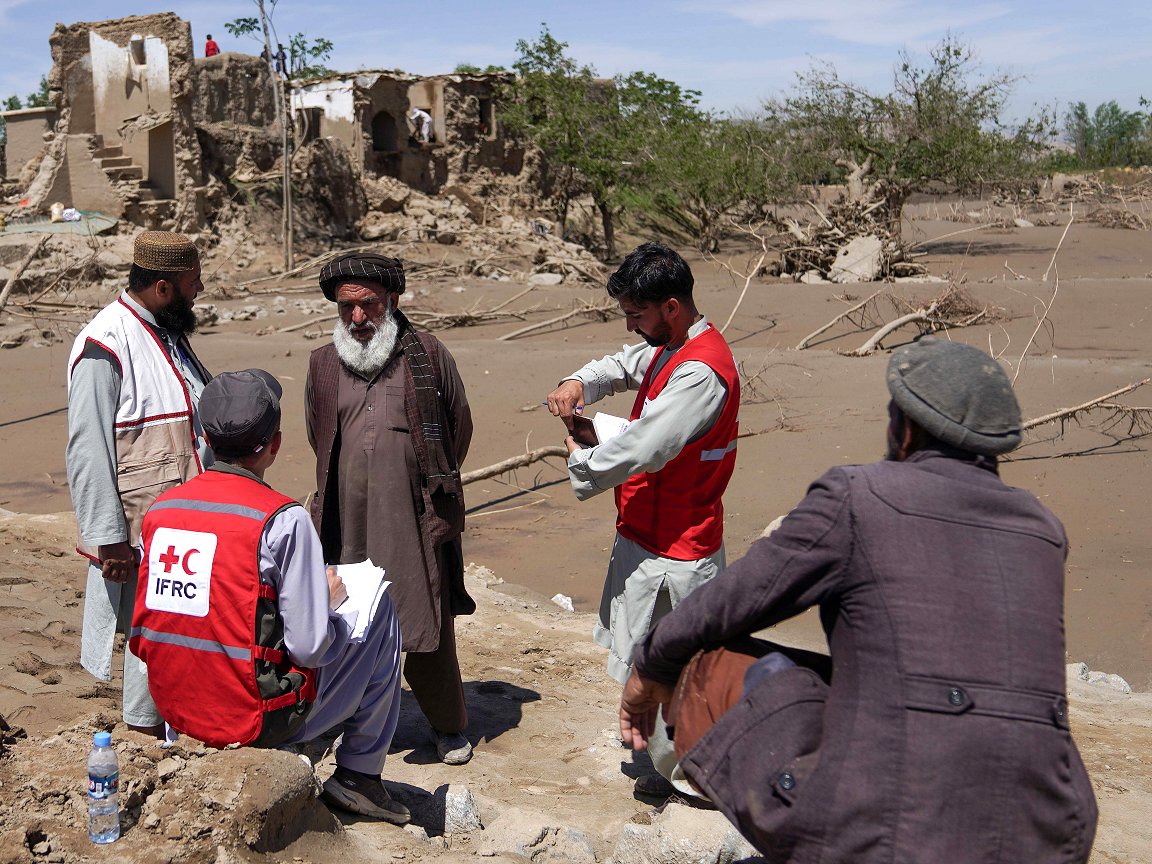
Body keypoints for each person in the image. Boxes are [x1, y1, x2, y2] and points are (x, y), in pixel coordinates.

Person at [620, 337, 1099, 862]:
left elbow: (730, 603)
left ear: (906, 427)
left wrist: (649, 667)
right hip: (1055, 825)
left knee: (708, 661)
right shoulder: (1043, 529)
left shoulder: (859, 497)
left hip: (896, 824)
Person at [129, 370, 410, 824]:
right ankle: (359, 775)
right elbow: (310, 647)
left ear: (203, 437)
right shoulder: (284, 520)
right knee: (378, 612)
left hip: (177, 710)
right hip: (249, 718)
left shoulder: (162, 512)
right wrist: (331, 604)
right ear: (274, 446)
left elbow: (150, 631)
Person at [545, 241, 739, 799]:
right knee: (644, 658)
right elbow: (622, 366)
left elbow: (645, 447)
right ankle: (657, 757)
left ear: (671, 306)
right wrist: (579, 382)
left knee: (677, 670)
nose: (631, 326)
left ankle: (691, 784)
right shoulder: (669, 346)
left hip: (680, 553)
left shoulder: (702, 373)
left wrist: (583, 456)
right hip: (646, 536)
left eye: (637, 314)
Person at [305, 253, 475, 765]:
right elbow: (319, 434)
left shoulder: (428, 353)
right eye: (347, 307)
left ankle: (448, 726)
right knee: (344, 619)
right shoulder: (322, 362)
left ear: (393, 302)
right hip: (344, 518)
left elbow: (457, 426)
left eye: (369, 305)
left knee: (425, 620)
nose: (357, 318)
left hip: (413, 517)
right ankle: (338, 716)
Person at [66, 231, 212, 739]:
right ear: (164, 288)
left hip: (179, 528)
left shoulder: (165, 331)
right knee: (148, 640)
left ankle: (172, 729)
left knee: (175, 636)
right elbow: (87, 450)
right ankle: (143, 740)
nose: (201, 290)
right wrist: (108, 538)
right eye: (193, 283)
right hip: (136, 533)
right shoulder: (105, 343)